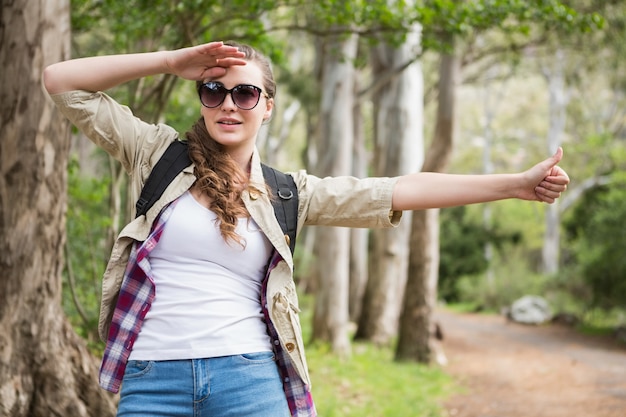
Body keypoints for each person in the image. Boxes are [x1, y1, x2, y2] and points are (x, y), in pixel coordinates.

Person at [43, 41, 570, 417]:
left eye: (245, 94)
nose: (229, 104)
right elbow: (60, 81)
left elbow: (398, 189)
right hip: (153, 378)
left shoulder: (288, 193)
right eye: (214, 91)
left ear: (267, 106)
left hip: (248, 380)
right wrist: (169, 62)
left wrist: (514, 185)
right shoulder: (156, 154)